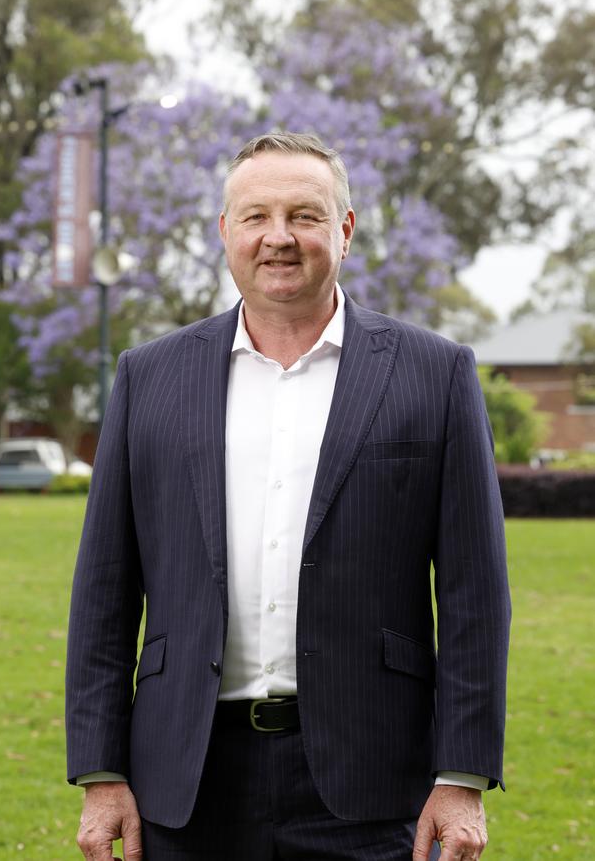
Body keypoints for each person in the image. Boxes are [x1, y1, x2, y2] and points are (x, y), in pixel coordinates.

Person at [66, 132, 511, 861]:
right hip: (184, 777)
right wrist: (101, 769)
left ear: (344, 228)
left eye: (304, 215)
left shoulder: (436, 374)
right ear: (224, 232)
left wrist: (460, 776)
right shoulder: (146, 376)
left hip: (370, 780)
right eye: (255, 217)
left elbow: (474, 595)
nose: (279, 237)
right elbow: (105, 588)